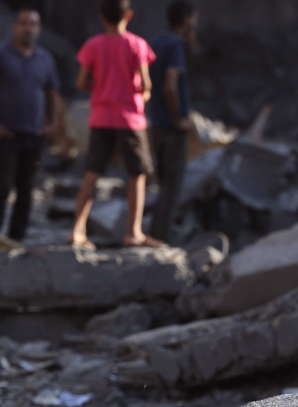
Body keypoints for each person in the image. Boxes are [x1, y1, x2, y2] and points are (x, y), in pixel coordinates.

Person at [69, 0, 158, 250]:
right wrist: (142, 94)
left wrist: (100, 89)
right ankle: (133, 231)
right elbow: (146, 84)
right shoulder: (137, 44)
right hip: (130, 118)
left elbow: (81, 81)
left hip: (101, 117)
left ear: (102, 18)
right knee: (137, 174)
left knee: (92, 172)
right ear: (128, 15)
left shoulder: (93, 45)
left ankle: (77, 229)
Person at [0, 8, 65, 242]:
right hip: (6, 134)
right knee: (3, 185)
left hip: (33, 135)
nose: (28, 28)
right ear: (15, 26)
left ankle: (17, 239)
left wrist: (53, 123)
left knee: (26, 189)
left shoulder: (45, 59)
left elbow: (53, 93)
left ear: (38, 29)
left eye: (33, 24)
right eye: (24, 23)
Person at [147, 1, 197, 244]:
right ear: (188, 20)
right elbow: (170, 85)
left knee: (162, 188)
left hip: (155, 122)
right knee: (171, 189)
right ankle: (161, 241)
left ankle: (155, 236)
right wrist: (179, 119)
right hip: (171, 127)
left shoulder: (157, 42)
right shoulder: (176, 45)